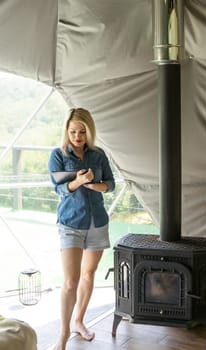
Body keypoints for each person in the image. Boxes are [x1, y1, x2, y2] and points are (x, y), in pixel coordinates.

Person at [48, 107, 115, 349]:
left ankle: (79, 321)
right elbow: (59, 189)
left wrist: (94, 185)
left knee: (88, 275)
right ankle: (63, 334)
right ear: (67, 131)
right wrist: (79, 181)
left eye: (82, 132)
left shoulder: (98, 155)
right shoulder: (58, 155)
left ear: (89, 132)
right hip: (70, 223)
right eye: (73, 131)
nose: (77, 136)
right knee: (70, 281)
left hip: (97, 222)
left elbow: (110, 184)